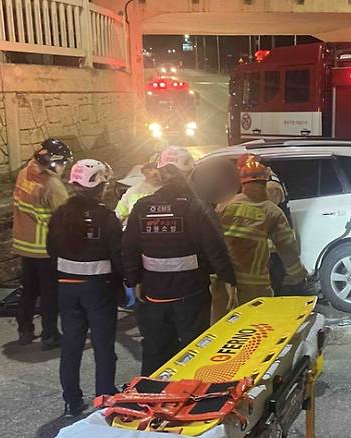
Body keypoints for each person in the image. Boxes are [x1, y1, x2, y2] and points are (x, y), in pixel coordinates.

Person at [122, 146, 237, 376]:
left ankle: (152, 398)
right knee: (195, 350)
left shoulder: (142, 207)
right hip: (191, 294)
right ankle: (192, 398)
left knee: (155, 350)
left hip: (154, 295)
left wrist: (134, 280)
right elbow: (215, 248)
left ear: (162, 174)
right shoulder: (196, 207)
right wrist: (228, 280)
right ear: (188, 173)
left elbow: (129, 247)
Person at [47, 159, 122, 418]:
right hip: (98, 290)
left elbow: (51, 251)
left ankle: (72, 401)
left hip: (67, 289)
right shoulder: (106, 217)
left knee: (71, 345)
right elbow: (118, 256)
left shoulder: (60, 215)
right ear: (100, 187)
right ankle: (105, 397)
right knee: (103, 346)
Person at [210, 154, 307, 323]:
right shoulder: (271, 210)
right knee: (256, 326)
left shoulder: (225, 205)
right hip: (256, 283)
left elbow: (210, 240)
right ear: (264, 181)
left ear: (242, 182)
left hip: (225, 281)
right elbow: (287, 246)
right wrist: (298, 275)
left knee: (223, 327)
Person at [13, 138, 72, 349]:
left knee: (28, 290)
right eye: (63, 162)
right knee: (49, 294)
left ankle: (25, 330)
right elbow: (66, 216)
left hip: (24, 244)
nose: (64, 167)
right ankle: (50, 334)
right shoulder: (52, 185)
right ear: (53, 161)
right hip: (45, 248)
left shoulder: (24, 173)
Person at [115, 157, 164, 226]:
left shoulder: (171, 191)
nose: (155, 173)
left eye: (158, 169)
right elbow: (118, 215)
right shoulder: (132, 191)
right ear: (144, 172)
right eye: (150, 169)